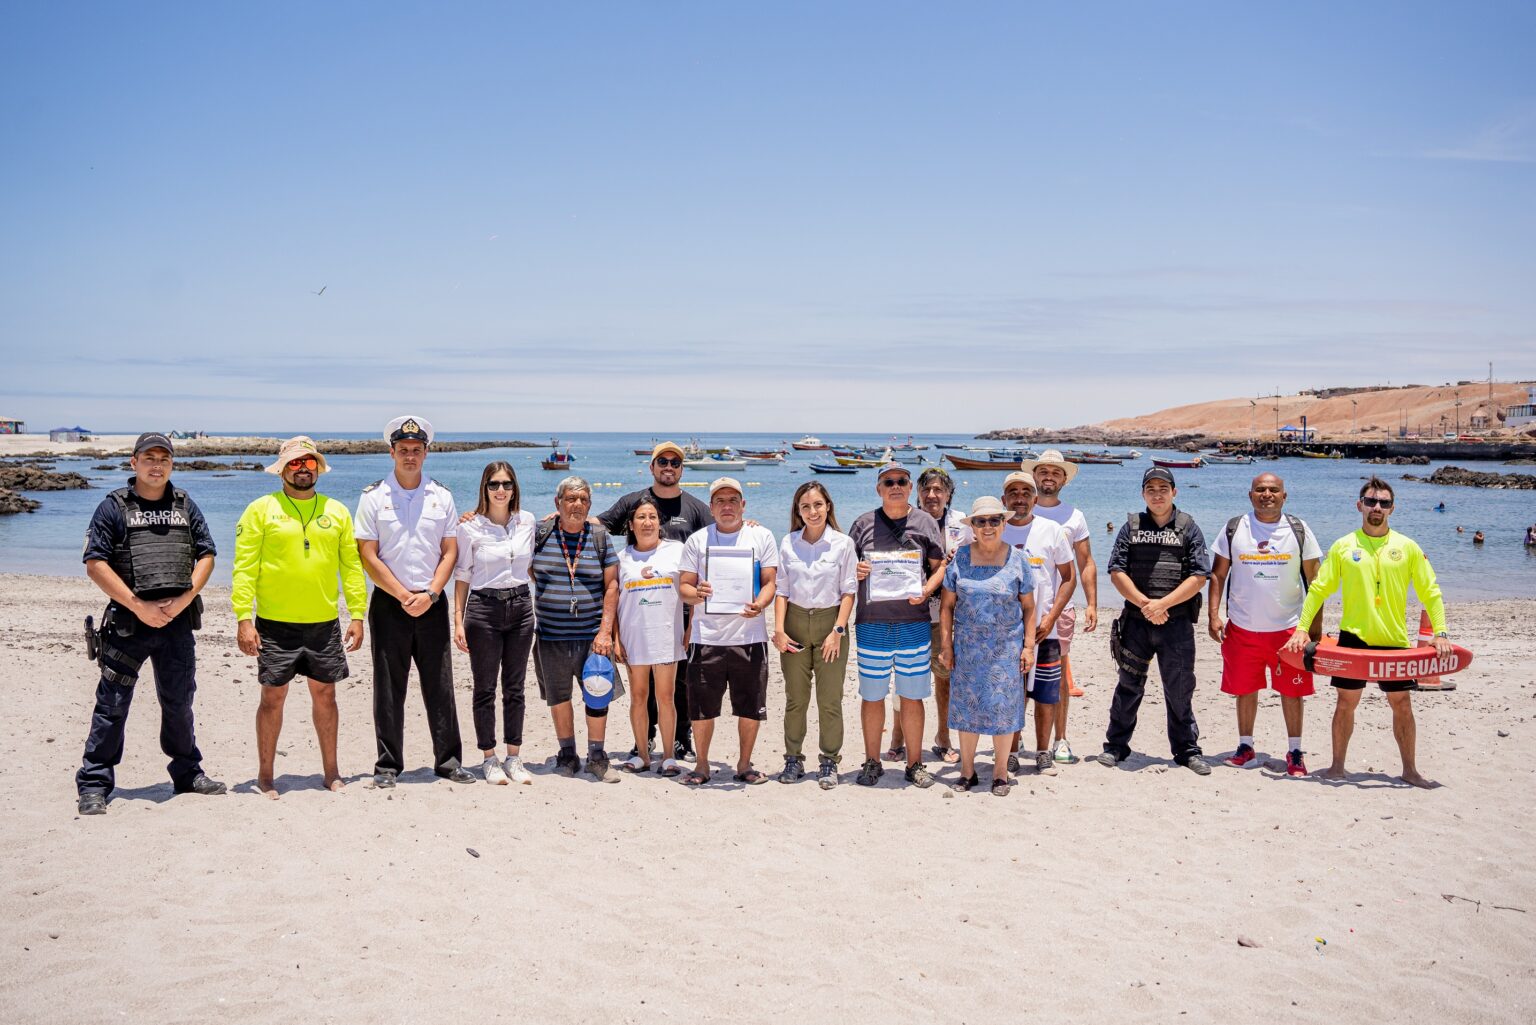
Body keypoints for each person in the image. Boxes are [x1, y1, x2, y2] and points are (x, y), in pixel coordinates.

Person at [75, 432, 225, 815]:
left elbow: (207, 554)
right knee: (112, 705)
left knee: (179, 702)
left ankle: (187, 774)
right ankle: (94, 784)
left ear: (171, 464)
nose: (156, 465)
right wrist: (138, 606)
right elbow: (96, 563)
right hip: (129, 624)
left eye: (164, 458)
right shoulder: (113, 507)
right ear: (134, 462)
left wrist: (185, 599)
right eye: (149, 458)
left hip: (176, 623)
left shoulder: (185, 505)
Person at [1284, 477, 1452, 788]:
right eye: (1371, 501)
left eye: (1384, 503)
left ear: (1392, 508)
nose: (1377, 507)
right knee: (1345, 703)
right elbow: (1319, 589)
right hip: (1353, 639)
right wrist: (1301, 630)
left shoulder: (1408, 547)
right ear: (1359, 504)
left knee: (1401, 704)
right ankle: (1337, 767)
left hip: (1395, 641)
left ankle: (1410, 771)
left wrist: (1439, 632)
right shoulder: (1344, 546)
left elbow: (1431, 592)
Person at [233, 436, 367, 798]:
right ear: (282, 470)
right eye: (295, 463)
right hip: (275, 625)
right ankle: (265, 776)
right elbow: (244, 568)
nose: (303, 468)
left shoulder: (336, 511)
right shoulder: (260, 510)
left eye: (309, 462)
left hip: (324, 623)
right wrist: (244, 618)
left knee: (326, 696)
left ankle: (331, 772)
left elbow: (351, 567)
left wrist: (357, 614)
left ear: (318, 468)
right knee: (272, 699)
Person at [354, 416, 474, 787]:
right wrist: (404, 595)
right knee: (389, 687)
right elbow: (367, 555)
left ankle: (449, 761)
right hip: (391, 604)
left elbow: (450, 550)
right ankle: (388, 765)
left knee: (439, 684)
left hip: (432, 601)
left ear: (426, 453)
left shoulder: (442, 496)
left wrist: (433, 593)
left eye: (416, 450)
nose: (410, 456)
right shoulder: (373, 496)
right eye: (403, 450)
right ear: (392, 452)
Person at [596, 441, 712, 761]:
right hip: (640, 612)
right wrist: (565, 516)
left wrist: (751, 527)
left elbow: (721, 536)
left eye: (675, 463)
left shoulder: (697, 509)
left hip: (682, 610)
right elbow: (599, 526)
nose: (669, 467)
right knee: (642, 687)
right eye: (663, 461)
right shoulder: (633, 502)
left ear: (681, 469)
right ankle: (644, 740)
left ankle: (679, 741)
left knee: (679, 685)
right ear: (652, 466)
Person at [1097, 467, 1213, 775]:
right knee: (1128, 685)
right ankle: (1116, 746)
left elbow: (1199, 575)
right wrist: (1145, 604)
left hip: (1176, 624)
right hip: (1136, 622)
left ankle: (1187, 750)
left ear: (1174, 492)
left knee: (1179, 689)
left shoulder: (1189, 527)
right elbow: (1117, 571)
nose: (1157, 493)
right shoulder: (1131, 526)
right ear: (1143, 493)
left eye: (1164, 488)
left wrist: (1163, 604)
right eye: (1151, 488)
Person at [1207, 473, 1321, 777]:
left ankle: (1295, 751)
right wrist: (1213, 615)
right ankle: (1246, 747)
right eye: (1260, 490)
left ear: (1284, 496)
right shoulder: (1234, 528)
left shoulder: (1299, 529)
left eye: (1273, 490)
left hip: (1288, 630)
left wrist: (1311, 630)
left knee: (1292, 691)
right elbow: (1217, 574)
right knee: (1245, 688)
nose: (1266, 494)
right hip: (1243, 627)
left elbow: (1316, 582)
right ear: (1250, 495)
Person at [849, 462, 947, 789]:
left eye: (901, 481)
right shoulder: (862, 524)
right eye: (888, 481)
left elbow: (939, 566)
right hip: (871, 623)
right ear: (878, 489)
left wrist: (928, 589)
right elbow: (845, 570)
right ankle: (872, 761)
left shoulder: (925, 522)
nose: (895, 486)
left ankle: (915, 763)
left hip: (914, 624)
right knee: (873, 696)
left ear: (909, 487)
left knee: (912, 696)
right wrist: (857, 572)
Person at [678, 477, 780, 786]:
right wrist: (697, 593)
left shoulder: (761, 536)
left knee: (749, 706)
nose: (726, 506)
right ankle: (703, 765)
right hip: (706, 638)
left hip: (749, 638)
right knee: (702, 708)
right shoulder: (697, 540)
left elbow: (770, 583)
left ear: (743, 505)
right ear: (711, 507)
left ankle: (745, 764)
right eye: (720, 501)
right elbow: (683, 586)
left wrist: (760, 604)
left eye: (732, 500)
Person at [938, 497, 1037, 796]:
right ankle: (967, 771)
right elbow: (946, 607)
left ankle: (1000, 772)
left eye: (994, 520)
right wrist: (946, 646)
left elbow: (1029, 608)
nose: (988, 526)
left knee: (1003, 711)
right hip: (967, 648)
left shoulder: (1019, 559)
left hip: (1006, 649)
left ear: (1004, 524)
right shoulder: (960, 558)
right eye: (981, 521)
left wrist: (1028, 646)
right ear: (973, 527)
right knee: (967, 710)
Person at [529, 475, 621, 779]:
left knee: (598, 694)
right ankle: (567, 754)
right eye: (570, 499)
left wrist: (605, 632)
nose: (577, 504)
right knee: (558, 697)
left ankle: (597, 755)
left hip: (592, 638)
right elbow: (524, 567)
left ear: (590, 504)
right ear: (558, 503)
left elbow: (612, 586)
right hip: (550, 636)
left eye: (583, 499)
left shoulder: (599, 536)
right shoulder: (539, 534)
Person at [453, 462, 538, 785]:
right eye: (493, 484)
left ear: (514, 487)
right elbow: (462, 575)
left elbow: (538, 556)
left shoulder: (527, 521)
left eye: (506, 484)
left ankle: (514, 757)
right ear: (484, 488)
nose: (500, 490)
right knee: (485, 688)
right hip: (483, 609)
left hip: (520, 608)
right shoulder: (469, 527)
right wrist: (457, 622)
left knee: (515, 688)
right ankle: (489, 758)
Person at [772, 481, 857, 787]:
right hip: (793, 623)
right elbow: (781, 590)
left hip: (830, 624)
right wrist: (779, 630)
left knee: (830, 699)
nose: (812, 511)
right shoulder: (788, 542)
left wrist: (837, 630)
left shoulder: (843, 544)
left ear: (828, 506)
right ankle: (792, 759)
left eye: (818, 505)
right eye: (805, 506)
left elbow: (849, 591)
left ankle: (829, 762)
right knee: (796, 698)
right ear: (798, 510)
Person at [1024, 449, 1100, 763]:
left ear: (1064, 479)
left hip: (1059, 609)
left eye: (1056, 473)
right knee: (1019, 672)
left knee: (1058, 673)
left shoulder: (1074, 516)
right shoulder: (1018, 509)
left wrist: (1092, 602)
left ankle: (1061, 739)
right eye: (1044, 471)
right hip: (1020, 608)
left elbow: (1086, 562)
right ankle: (1013, 739)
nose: (1049, 477)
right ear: (1034, 475)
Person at [1000, 471, 1075, 776]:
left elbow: (1068, 578)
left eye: (1025, 492)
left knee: (1046, 694)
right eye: (1013, 492)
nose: (1019, 497)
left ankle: (1043, 752)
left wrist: (1051, 617)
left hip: (1047, 630)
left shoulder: (1052, 530)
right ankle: (1013, 750)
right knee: (1013, 694)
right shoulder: (995, 528)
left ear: (1034, 498)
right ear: (1004, 499)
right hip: (1007, 631)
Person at [613, 497, 687, 776]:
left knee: (666, 697)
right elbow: (613, 601)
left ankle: (668, 756)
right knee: (639, 696)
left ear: (659, 523)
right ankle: (643, 754)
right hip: (634, 636)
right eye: (641, 518)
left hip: (666, 635)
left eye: (652, 517)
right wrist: (616, 639)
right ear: (631, 525)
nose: (647, 522)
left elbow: (693, 587)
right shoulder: (621, 559)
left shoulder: (676, 551)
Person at [900, 466, 968, 764]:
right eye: (926, 490)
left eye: (939, 489)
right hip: (910, 610)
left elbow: (981, 555)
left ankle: (943, 737)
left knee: (945, 677)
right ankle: (897, 738)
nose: (932, 495)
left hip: (948, 613)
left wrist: (958, 560)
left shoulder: (962, 524)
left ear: (949, 494)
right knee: (902, 677)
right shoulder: (905, 518)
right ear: (918, 493)